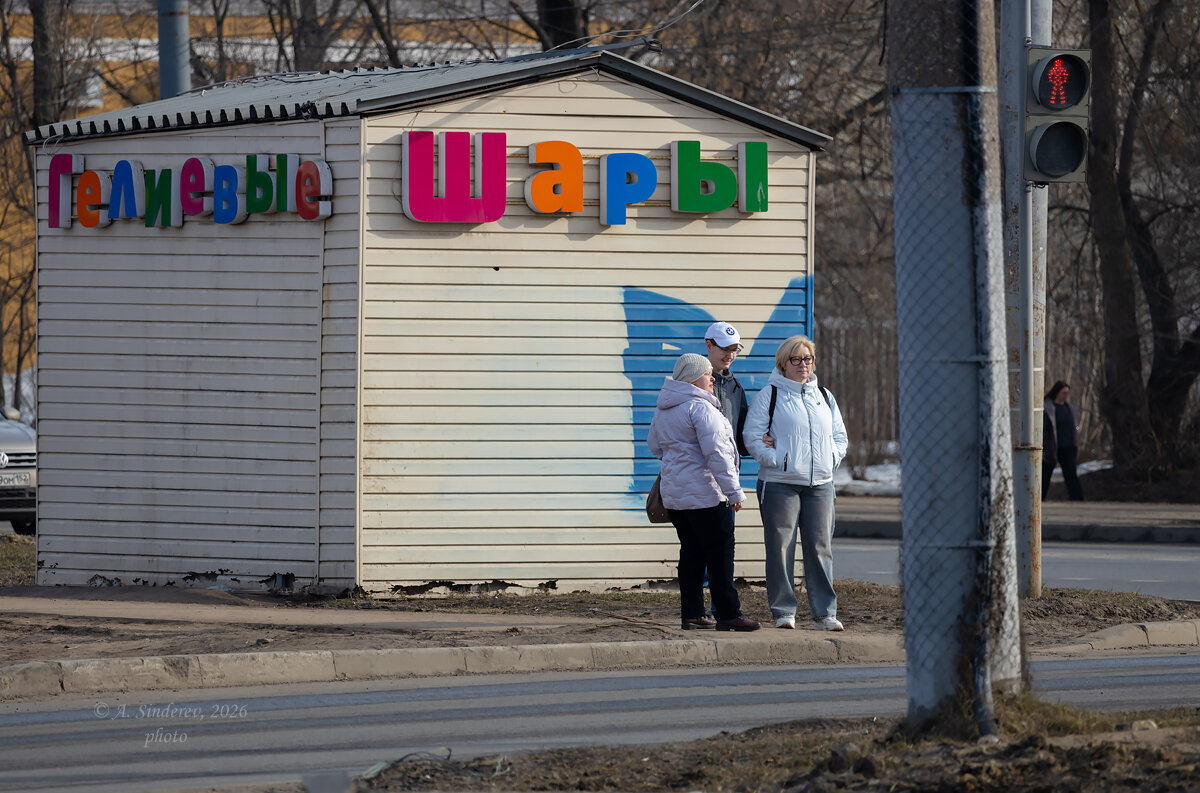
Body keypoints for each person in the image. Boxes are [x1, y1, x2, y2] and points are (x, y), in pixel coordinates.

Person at [647, 353, 760, 632]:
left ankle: (693, 614)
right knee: (720, 556)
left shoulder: (665, 408)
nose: (712, 378)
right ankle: (728, 614)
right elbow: (718, 455)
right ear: (692, 377)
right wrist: (734, 493)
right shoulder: (701, 408)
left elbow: (655, 446)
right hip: (706, 496)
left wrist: (680, 457)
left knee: (691, 555)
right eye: (708, 374)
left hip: (676, 497)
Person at [743, 335, 848, 631]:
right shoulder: (770, 395)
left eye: (808, 359)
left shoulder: (824, 396)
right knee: (780, 548)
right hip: (780, 483)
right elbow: (752, 436)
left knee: (820, 547)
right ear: (783, 363)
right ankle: (784, 610)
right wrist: (776, 459)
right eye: (796, 359)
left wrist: (831, 458)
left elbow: (840, 437)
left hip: (821, 484)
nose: (803, 365)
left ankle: (825, 613)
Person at [704, 321, 750, 457]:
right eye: (725, 349)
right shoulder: (693, 382)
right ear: (709, 345)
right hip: (699, 473)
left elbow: (742, 438)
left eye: (734, 350)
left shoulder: (736, 387)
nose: (730, 355)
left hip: (729, 472)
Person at [1043, 380, 1084, 501]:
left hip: (1068, 447)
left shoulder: (1070, 409)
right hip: (1053, 447)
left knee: (1071, 474)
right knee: (1045, 475)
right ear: (1056, 393)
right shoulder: (1048, 408)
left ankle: (1077, 498)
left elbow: (1075, 426)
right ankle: (1040, 499)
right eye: (1063, 393)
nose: (1066, 396)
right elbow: (1045, 429)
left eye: (1067, 393)